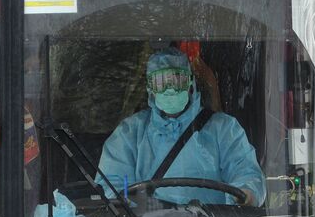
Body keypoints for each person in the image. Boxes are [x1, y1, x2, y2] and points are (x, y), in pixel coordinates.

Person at [96, 47, 265, 207]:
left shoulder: (224, 129)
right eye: (160, 82)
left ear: (190, 82)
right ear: (150, 88)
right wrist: (126, 205)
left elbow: (245, 172)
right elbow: (111, 187)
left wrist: (246, 194)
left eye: (177, 80)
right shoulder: (129, 133)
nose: (170, 89)